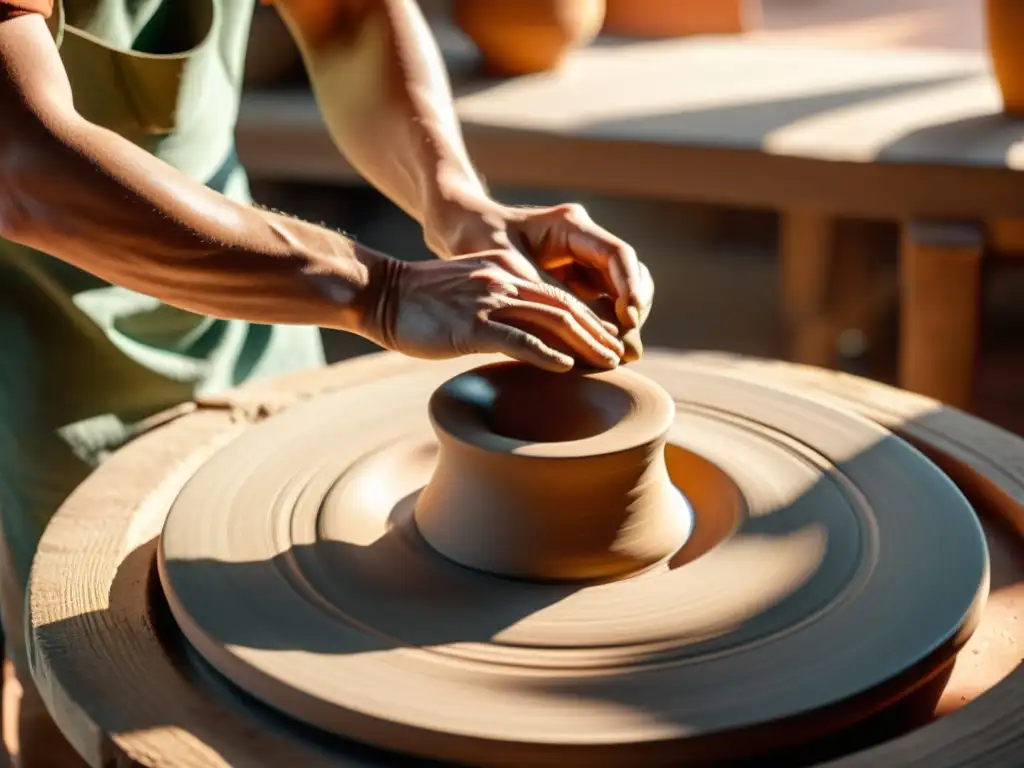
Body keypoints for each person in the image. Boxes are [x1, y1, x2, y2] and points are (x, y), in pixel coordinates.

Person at [0, 0, 654, 763]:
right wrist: (374, 291)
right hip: (48, 337)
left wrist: (457, 203)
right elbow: (23, 169)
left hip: (244, 275)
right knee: (98, 684)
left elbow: (346, 18)